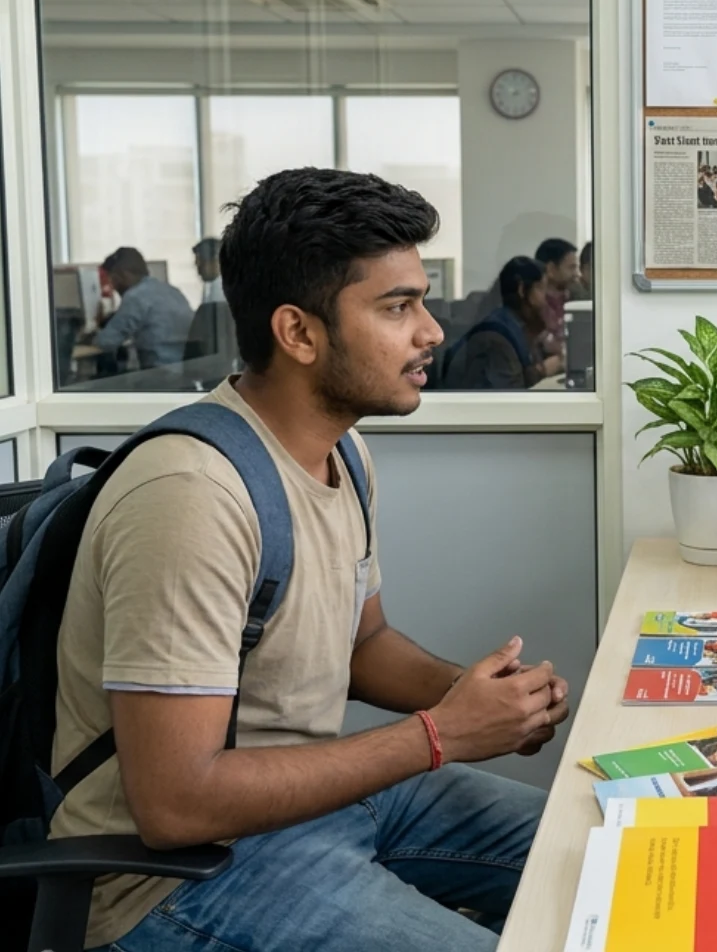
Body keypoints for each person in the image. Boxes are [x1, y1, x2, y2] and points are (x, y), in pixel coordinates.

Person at [50, 168, 570, 952]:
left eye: (422, 301)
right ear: (298, 333)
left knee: (597, 855)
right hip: (177, 875)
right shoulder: (192, 495)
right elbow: (175, 805)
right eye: (398, 307)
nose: (431, 331)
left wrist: (482, 702)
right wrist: (440, 734)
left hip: (317, 795)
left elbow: (363, 647)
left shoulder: (345, 452)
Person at [440, 256, 561, 390]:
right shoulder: (496, 339)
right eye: (541, 289)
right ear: (521, 289)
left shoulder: (514, 328)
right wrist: (542, 370)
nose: (545, 300)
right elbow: (509, 397)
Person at [89, 246, 195, 371]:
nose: (113, 286)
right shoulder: (172, 291)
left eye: (113, 279)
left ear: (121, 275)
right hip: (184, 371)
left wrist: (90, 337)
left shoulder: (135, 296)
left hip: (159, 374)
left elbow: (106, 342)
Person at [535, 237, 579, 345]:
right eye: (571, 268)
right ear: (551, 269)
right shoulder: (534, 307)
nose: (577, 274)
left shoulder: (573, 299)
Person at [194, 236, 224, 303]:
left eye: (201, 264)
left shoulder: (223, 290)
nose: (198, 271)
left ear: (216, 261)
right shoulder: (209, 287)